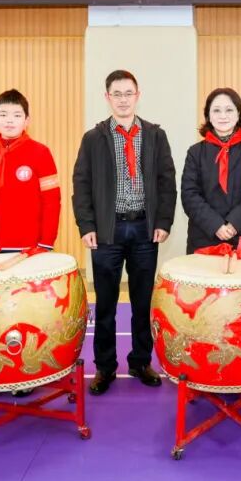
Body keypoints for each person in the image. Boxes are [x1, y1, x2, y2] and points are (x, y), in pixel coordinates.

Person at [73, 70, 177, 396]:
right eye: (116, 94)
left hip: (145, 229)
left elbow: (167, 182)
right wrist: (87, 225)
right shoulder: (94, 139)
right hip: (108, 231)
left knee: (142, 302)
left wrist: (164, 221)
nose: (122, 99)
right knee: (105, 304)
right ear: (107, 98)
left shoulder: (155, 135)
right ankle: (105, 367)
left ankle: (141, 361)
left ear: (137, 95)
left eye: (128, 93)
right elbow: (81, 184)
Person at [0, 89, 61, 258]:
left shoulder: (41, 153)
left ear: (27, 120)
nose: (9, 120)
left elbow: (51, 202)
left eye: (17, 115)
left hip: (28, 248)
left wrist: (46, 243)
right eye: (3, 114)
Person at [181, 87, 241, 255]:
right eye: (216, 110)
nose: (223, 116)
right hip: (205, 236)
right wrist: (216, 225)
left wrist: (234, 223)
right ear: (208, 115)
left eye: (229, 110)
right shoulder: (195, 152)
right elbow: (190, 195)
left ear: (238, 114)